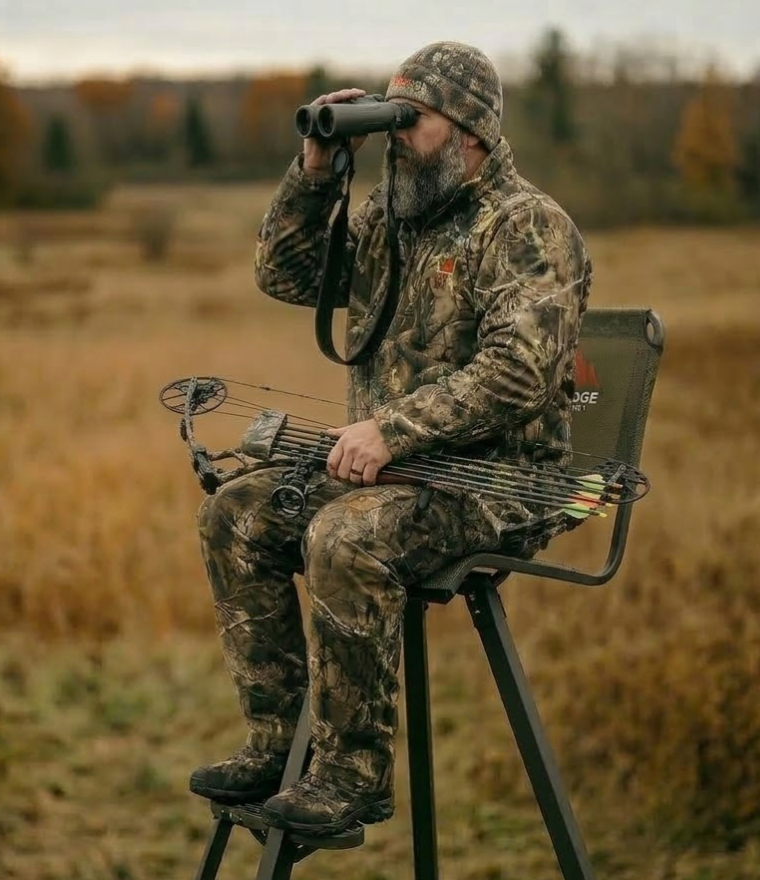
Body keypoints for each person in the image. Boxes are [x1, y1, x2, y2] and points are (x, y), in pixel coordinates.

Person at [188, 41, 593, 836]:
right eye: (390, 114)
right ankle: (278, 746)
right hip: (394, 471)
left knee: (343, 535)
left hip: (493, 483)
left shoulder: (527, 225)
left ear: (471, 130)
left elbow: (519, 371)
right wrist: (315, 170)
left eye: (413, 119)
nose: (397, 135)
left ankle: (350, 778)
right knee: (235, 511)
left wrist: (393, 431)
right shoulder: (390, 218)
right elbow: (286, 275)